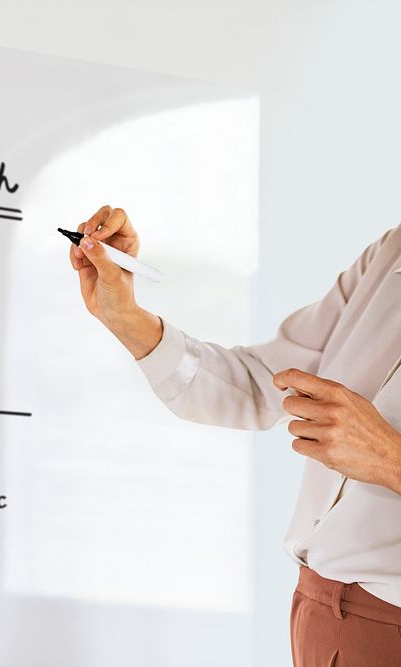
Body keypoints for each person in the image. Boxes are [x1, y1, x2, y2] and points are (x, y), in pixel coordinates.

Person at [69, 205, 401, 666]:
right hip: (317, 611)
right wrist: (125, 315)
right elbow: (260, 384)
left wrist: (390, 458)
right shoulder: (391, 254)